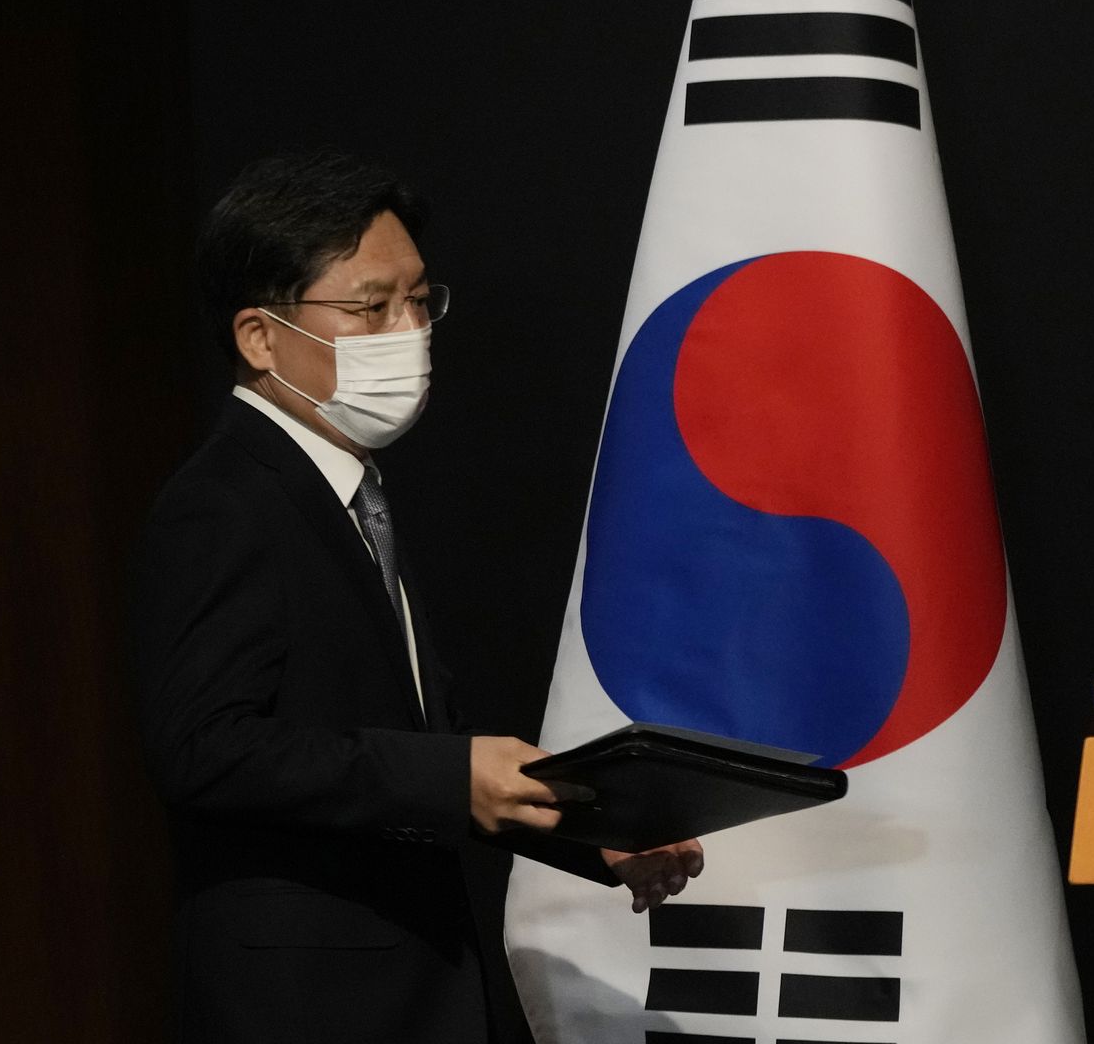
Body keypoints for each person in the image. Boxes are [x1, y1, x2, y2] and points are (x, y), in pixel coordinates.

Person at [132, 151, 703, 1043]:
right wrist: (449, 775)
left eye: (419, 300)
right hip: (307, 1007)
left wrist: (593, 834)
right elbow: (205, 748)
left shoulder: (349, 489)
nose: (409, 331)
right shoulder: (224, 501)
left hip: (409, 991)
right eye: (370, 307)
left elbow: (418, 745)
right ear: (260, 337)